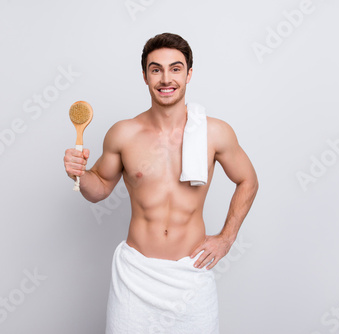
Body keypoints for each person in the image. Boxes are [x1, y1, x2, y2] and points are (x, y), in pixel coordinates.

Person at [64, 32, 258, 334]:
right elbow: (99, 187)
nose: (166, 78)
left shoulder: (215, 133)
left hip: (191, 273)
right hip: (136, 275)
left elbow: (248, 180)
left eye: (175, 68)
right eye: (156, 69)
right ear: (145, 76)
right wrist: (80, 173)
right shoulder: (123, 133)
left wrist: (227, 238)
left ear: (189, 74)